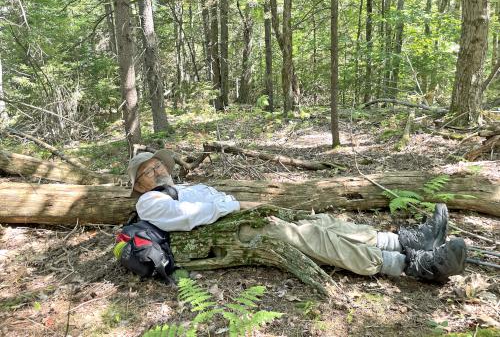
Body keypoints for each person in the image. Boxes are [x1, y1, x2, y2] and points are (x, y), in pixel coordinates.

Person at [127, 149, 467, 283]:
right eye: (148, 172)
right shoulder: (149, 204)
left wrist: (214, 203)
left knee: (321, 223)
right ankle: (413, 265)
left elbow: (216, 199)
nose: (157, 171)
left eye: (158, 165)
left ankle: (404, 240)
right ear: (138, 185)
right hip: (223, 238)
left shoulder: (181, 188)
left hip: (234, 223)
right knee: (305, 236)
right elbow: (190, 217)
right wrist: (216, 204)